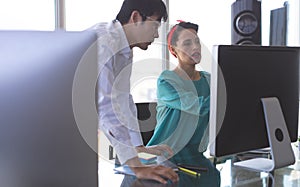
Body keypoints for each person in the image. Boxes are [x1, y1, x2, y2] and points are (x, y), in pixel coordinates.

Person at [90, 0, 178, 184]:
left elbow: (122, 99)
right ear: (136, 17)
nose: (156, 34)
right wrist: (136, 166)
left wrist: (138, 147)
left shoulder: (125, 50)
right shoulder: (103, 42)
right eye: (154, 25)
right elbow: (105, 105)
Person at [147, 21, 220, 186]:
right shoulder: (167, 80)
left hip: (195, 156)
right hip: (167, 156)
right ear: (173, 50)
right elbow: (197, 106)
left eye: (196, 41)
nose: (195, 47)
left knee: (213, 177)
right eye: (187, 43)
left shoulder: (209, 79)